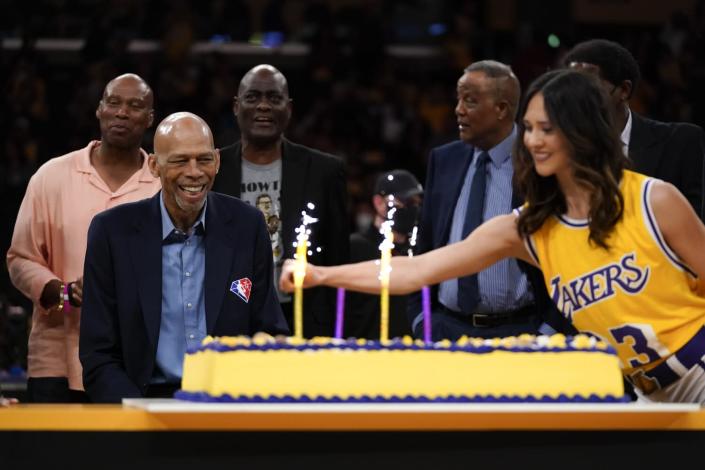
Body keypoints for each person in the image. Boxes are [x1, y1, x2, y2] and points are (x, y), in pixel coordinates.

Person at [281, 70, 705, 404]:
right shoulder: (530, 228)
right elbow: (417, 270)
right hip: (650, 393)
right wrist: (320, 274)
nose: (533, 141)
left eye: (547, 129)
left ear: (582, 132)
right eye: (529, 128)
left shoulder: (654, 198)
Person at [79, 112, 288, 403]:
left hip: (228, 404)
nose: (194, 172)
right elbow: (97, 354)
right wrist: (138, 416)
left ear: (217, 160)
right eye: (180, 160)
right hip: (141, 404)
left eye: (203, 159)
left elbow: (269, 327)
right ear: (154, 165)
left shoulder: (248, 225)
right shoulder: (112, 232)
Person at [6, 73, 161, 403]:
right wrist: (63, 292)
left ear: (150, 119)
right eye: (113, 102)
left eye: (134, 106)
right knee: (54, 456)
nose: (121, 112)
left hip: (138, 361)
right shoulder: (52, 176)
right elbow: (20, 259)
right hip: (58, 360)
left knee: (128, 455)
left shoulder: (163, 184)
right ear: (99, 109)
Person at [408, 60, 567, 341]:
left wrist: (548, 332)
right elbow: (426, 247)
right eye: (458, 99)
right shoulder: (444, 159)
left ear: (502, 109)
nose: (458, 109)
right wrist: (422, 321)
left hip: (520, 332)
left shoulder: (542, 162)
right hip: (446, 329)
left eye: (469, 101)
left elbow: (566, 257)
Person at [212, 64, 349, 338]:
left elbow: (338, 257)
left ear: (289, 107)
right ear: (237, 106)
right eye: (253, 97)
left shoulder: (324, 170)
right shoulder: (213, 167)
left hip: (304, 319)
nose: (263, 106)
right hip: (229, 316)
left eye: (274, 98)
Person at [563, 38, 705, 221]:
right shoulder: (557, 148)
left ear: (624, 90)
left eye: (588, 84)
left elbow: (693, 230)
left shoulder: (680, 142)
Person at [344, 170, 423, 339]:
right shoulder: (355, 247)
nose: (412, 208)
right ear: (379, 203)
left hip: (411, 353)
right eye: (405, 201)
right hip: (364, 351)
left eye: (416, 202)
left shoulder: (419, 250)